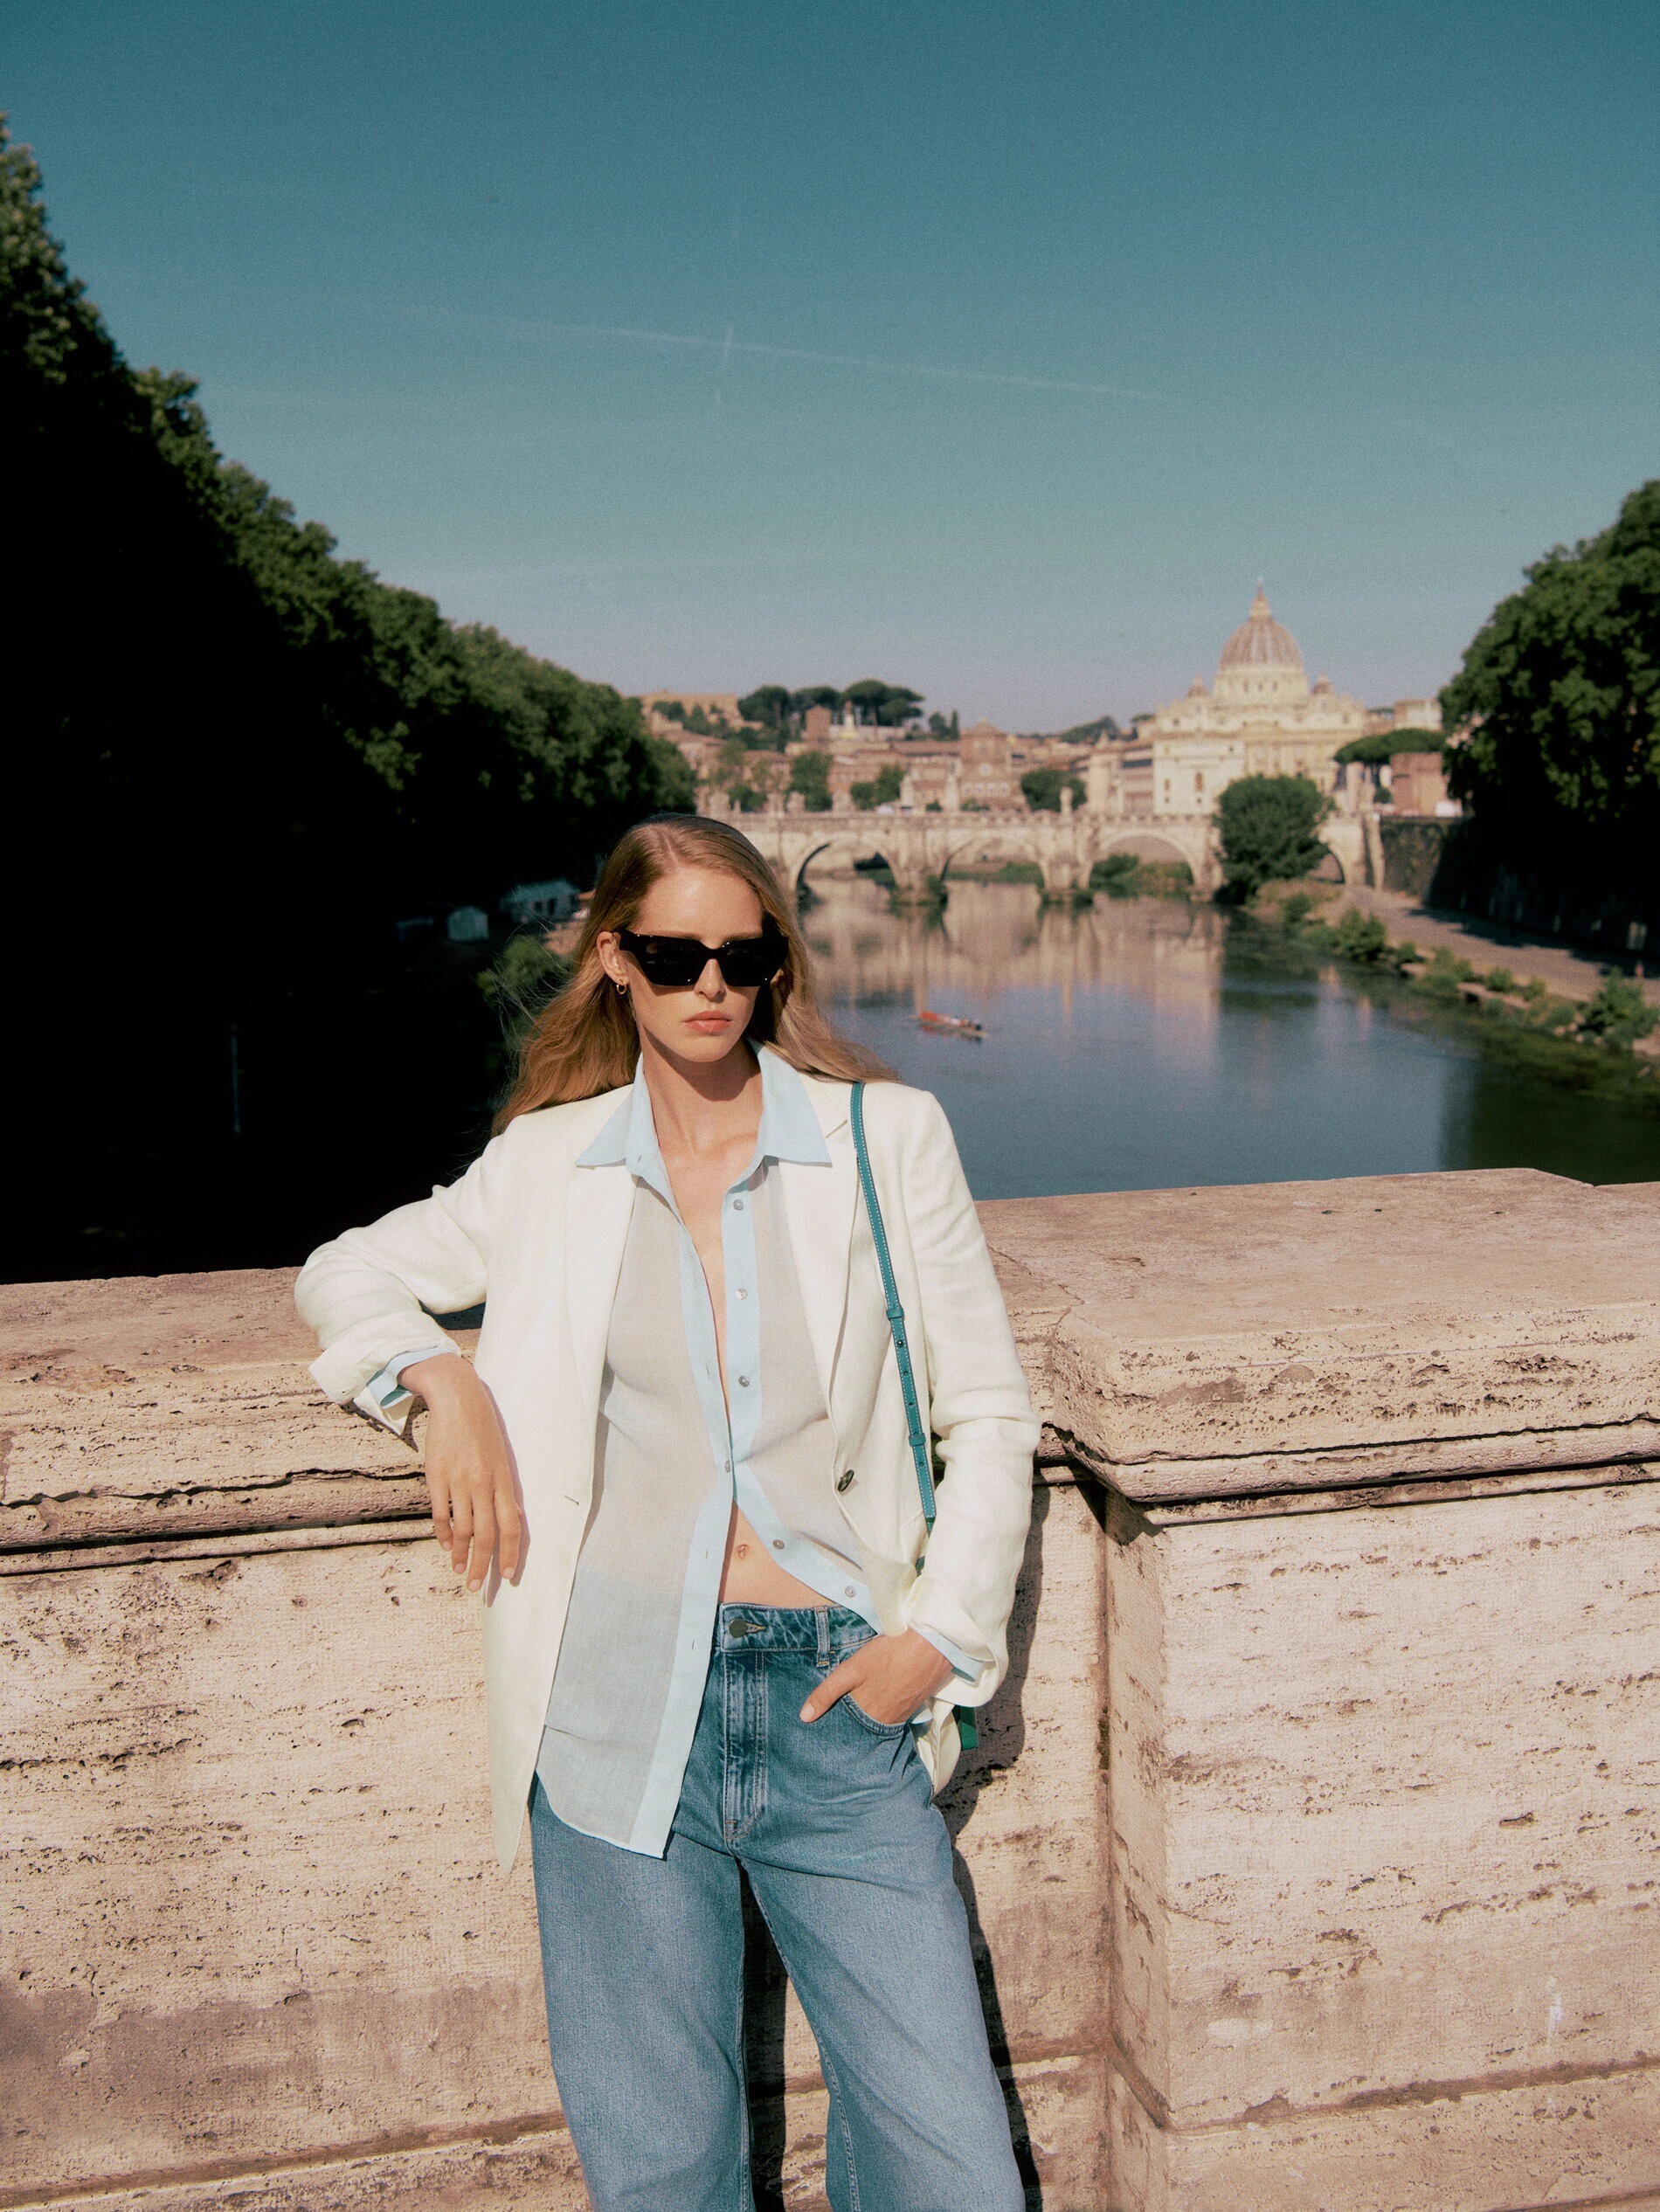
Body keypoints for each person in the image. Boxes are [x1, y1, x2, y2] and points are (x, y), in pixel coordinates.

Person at [296, 813, 1038, 2212]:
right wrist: (437, 1381)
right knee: (663, 2176)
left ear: (774, 968)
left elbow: (990, 1413)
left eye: (742, 957)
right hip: (613, 1697)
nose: (711, 984)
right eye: (674, 954)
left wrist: (939, 1638)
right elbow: (347, 1270)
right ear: (612, 959)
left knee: (955, 2171)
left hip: (839, 1697)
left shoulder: (888, 1139)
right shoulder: (546, 1166)